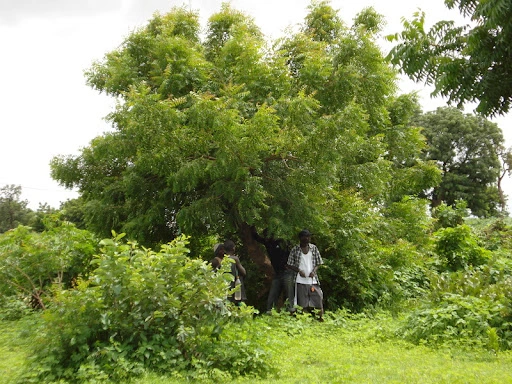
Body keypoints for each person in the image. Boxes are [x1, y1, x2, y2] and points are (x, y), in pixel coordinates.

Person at [287, 229, 324, 319]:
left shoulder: (313, 248)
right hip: (300, 281)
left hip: (313, 280)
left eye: (308, 237)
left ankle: (320, 319)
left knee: (318, 300)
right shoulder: (295, 249)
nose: (307, 239)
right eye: (305, 237)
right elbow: (289, 264)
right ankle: (304, 320)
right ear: (300, 238)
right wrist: (299, 271)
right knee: (302, 303)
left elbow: (319, 262)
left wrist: (314, 271)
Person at [263, 238, 294, 313]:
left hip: (287, 272)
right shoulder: (268, 243)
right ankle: (270, 311)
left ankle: (291, 310)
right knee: (273, 293)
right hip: (277, 273)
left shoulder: (282, 242)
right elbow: (257, 238)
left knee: (289, 292)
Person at [224, 239, 247, 305]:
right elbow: (243, 272)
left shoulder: (222, 260)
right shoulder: (235, 258)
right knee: (240, 304)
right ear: (233, 248)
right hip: (236, 286)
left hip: (227, 287)